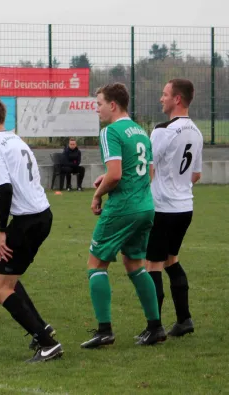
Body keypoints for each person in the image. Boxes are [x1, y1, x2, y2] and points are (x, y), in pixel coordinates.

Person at [0, 97, 63, 363]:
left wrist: (1, 233)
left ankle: (47, 343)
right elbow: (13, 191)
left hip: (26, 222)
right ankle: (41, 329)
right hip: (41, 214)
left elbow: (6, 191)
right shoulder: (16, 140)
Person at [81, 83, 165, 349]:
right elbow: (148, 172)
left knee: (96, 264)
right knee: (135, 265)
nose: (97, 110)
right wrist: (109, 179)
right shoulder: (141, 132)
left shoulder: (110, 132)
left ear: (113, 105)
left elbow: (116, 174)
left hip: (123, 207)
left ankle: (104, 330)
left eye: (99, 104)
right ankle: (155, 327)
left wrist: (98, 195)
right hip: (145, 206)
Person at [142, 79, 203, 338]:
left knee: (152, 265)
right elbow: (196, 174)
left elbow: (148, 169)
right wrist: (178, 184)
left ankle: (154, 328)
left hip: (162, 208)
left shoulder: (162, 130)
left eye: (164, 94)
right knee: (171, 260)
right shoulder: (197, 132)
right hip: (185, 207)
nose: (161, 99)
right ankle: (184, 320)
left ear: (177, 99)